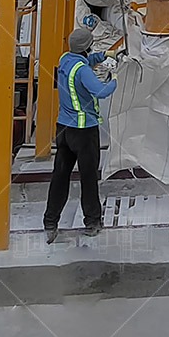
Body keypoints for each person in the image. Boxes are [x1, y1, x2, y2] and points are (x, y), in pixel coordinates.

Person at [43, 27, 121, 243]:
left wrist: (105, 55)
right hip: (84, 131)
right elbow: (101, 92)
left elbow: (85, 60)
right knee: (88, 177)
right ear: (87, 47)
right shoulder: (83, 71)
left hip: (64, 129)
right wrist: (114, 76)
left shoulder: (66, 59)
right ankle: (93, 221)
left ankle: (50, 222)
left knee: (60, 175)